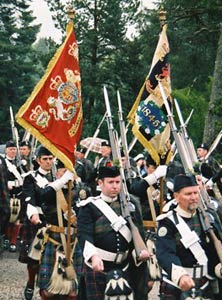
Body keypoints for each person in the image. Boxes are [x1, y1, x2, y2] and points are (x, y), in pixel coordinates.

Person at [77, 166, 150, 300]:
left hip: (125, 266)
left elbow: (138, 234)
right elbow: (84, 234)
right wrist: (93, 256)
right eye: (111, 182)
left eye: (118, 182)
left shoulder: (131, 205)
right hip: (99, 265)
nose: (115, 186)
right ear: (100, 183)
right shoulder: (89, 206)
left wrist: (142, 252)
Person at [156, 174, 222, 299]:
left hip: (205, 282)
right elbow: (165, 253)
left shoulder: (208, 217)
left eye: (195, 193)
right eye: (188, 194)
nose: (193, 198)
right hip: (178, 284)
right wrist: (181, 276)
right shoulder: (167, 222)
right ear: (176, 196)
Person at [3, 140, 24, 252]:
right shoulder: (3, 163)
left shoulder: (20, 163)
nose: (12, 151)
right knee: (7, 217)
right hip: (6, 194)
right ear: (6, 150)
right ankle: (6, 238)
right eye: (10, 149)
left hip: (19, 193)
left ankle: (13, 242)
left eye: (14, 149)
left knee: (17, 219)